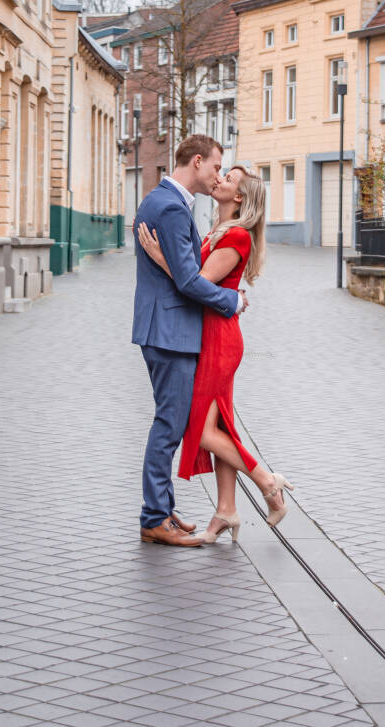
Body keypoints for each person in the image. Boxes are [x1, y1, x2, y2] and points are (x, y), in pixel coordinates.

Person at [138, 165, 293, 544]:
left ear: (238, 198)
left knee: (202, 430)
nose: (220, 179)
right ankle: (226, 510)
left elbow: (196, 284)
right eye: (222, 172)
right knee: (220, 425)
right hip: (209, 334)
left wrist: (162, 260)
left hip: (219, 340)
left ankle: (267, 481)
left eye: (230, 179)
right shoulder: (220, 231)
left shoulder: (237, 235)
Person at [132, 134, 247, 547]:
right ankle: (154, 518)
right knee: (170, 424)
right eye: (217, 167)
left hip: (164, 329)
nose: (218, 175)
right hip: (171, 332)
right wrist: (232, 300)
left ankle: (162, 506)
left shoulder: (164, 201)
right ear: (197, 161)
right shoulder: (172, 208)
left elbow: (180, 270)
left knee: (171, 420)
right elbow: (188, 280)